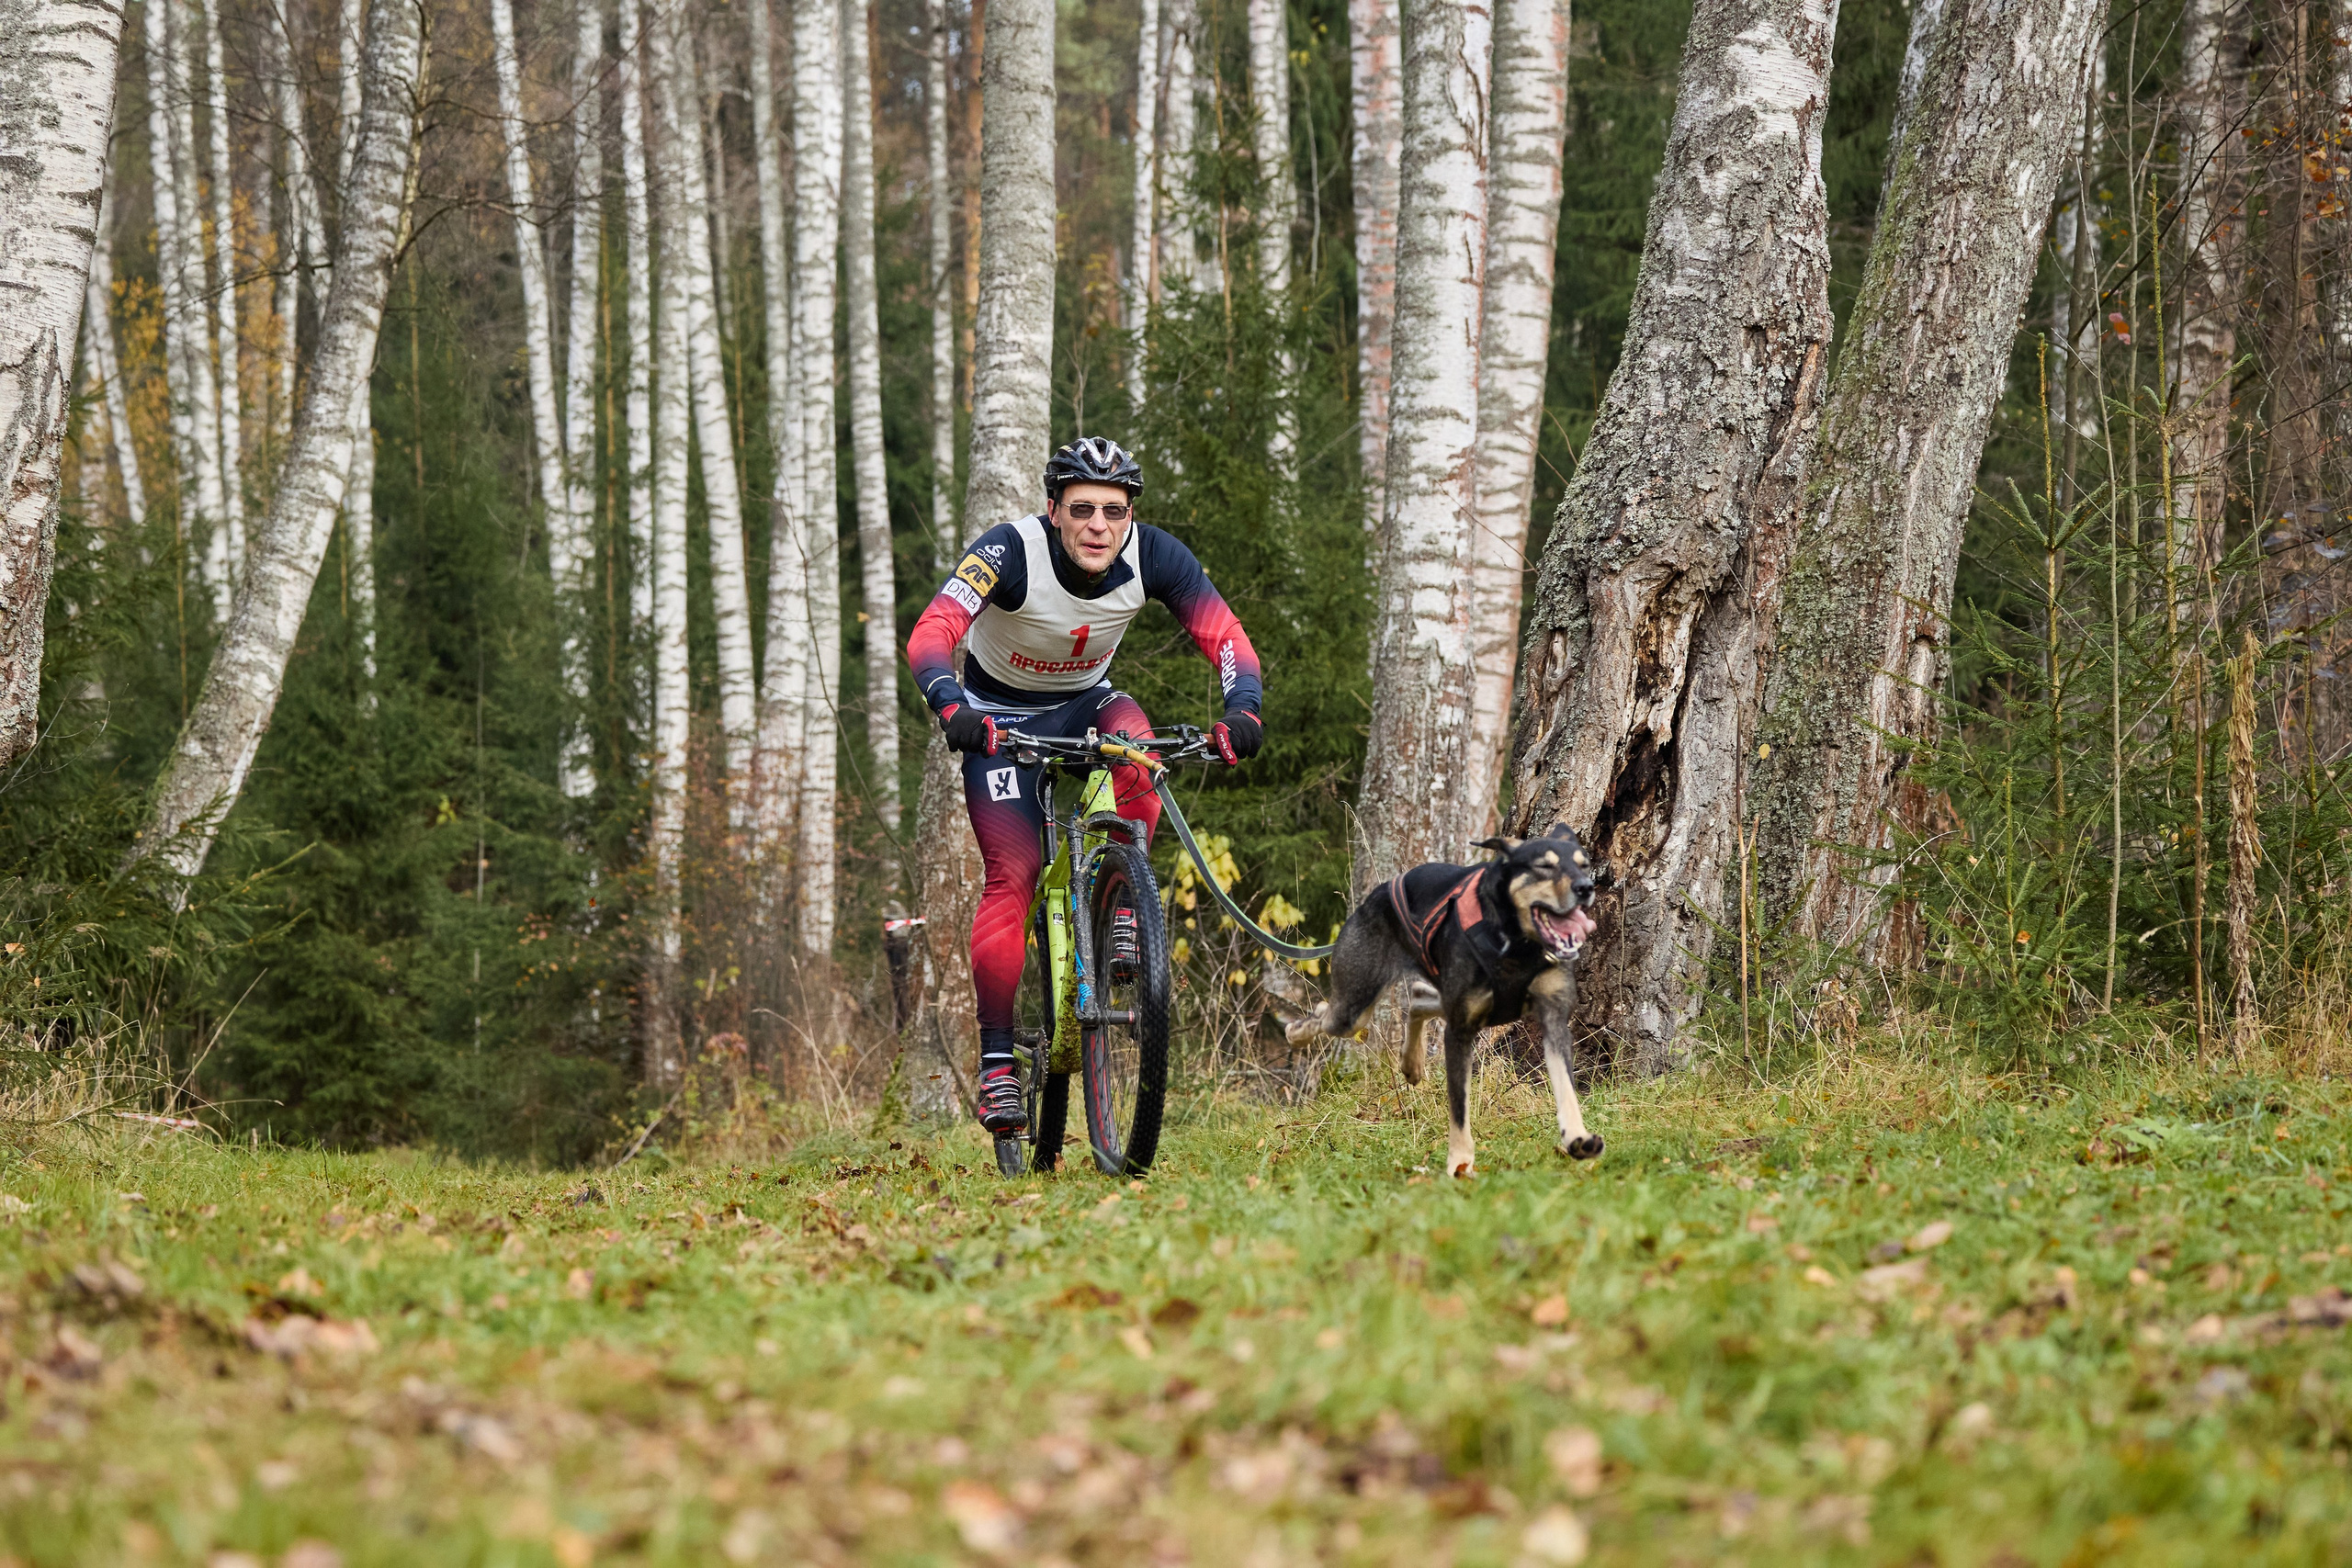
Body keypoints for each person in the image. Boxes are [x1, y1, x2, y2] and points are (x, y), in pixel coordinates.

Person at [904, 437, 1264, 1135]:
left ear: (1131, 515)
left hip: (1086, 702)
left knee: (1140, 755)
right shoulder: (1010, 551)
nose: (1099, 525)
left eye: (1114, 510)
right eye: (1083, 510)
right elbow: (931, 632)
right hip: (1000, 722)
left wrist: (1242, 707)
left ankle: (1121, 902)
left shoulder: (1156, 554)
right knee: (1013, 875)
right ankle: (1000, 1066)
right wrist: (954, 706)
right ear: (1054, 511)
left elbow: (1226, 637)